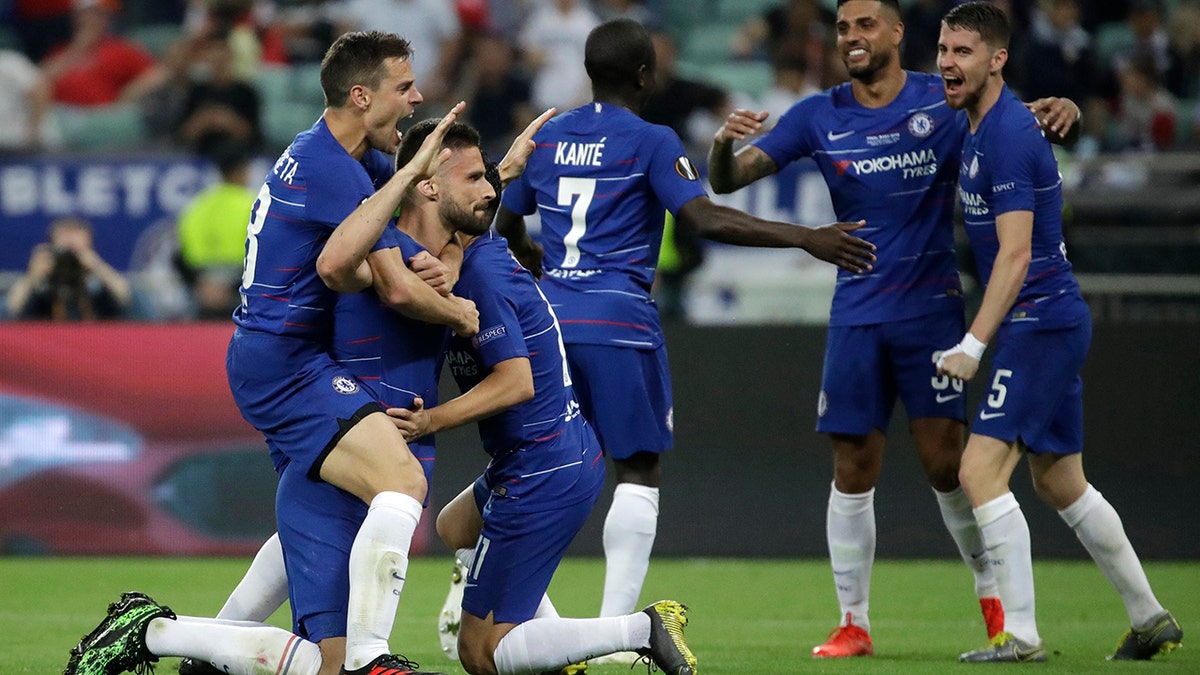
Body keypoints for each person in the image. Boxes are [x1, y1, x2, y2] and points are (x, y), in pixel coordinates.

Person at [65, 30, 476, 675]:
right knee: (401, 481)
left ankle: (180, 641)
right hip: (286, 364)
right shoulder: (330, 168)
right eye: (404, 88)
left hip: (281, 357)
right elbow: (389, 281)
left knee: (319, 635)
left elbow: (404, 224)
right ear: (362, 95)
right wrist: (460, 312)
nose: (417, 98)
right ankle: (373, 658)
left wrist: (472, 195)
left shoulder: (338, 157)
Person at [495, 16, 876, 666]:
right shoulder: (650, 139)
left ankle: (518, 612)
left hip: (551, 324)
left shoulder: (550, 135)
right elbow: (701, 216)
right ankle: (616, 631)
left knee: (539, 469)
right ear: (648, 75)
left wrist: (536, 261)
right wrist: (804, 237)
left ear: (589, 72)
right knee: (636, 468)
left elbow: (505, 221)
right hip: (620, 323)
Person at [706, 0, 1081, 659]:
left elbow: (1014, 123)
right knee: (852, 465)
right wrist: (719, 144)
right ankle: (853, 620)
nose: (851, 37)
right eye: (843, 28)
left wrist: (1062, 110)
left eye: (865, 25)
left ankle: (994, 602)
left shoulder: (945, 97)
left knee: (948, 465)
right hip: (856, 314)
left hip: (931, 310)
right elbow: (731, 179)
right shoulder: (820, 114)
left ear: (896, 33)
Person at [388, 118, 698, 675]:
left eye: (488, 179)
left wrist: (429, 420)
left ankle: (638, 629)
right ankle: (552, 649)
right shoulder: (461, 248)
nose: (487, 191)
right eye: (473, 178)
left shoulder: (482, 276)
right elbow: (459, 219)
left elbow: (516, 383)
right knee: (456, 526)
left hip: (543, 466)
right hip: (547, 455)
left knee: (478, 654)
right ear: (431, 187)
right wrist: (505, 170)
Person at [934, 3, 1183, 663]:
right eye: (943, 49)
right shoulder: (986, 125)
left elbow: (1015, 256)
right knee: (1058, 481)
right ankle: (1150, 615)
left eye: (963, 51)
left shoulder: (1009, 133)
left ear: (997, 59)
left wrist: (972, 344)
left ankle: (1020, 634)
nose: (947, 62)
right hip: (1046, 317)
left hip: (1037, 318)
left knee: (978, 469)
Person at [175, 139, 257, 319]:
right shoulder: (253, 205)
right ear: (241, 170)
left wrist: (201, 283)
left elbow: (179, 256)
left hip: (201, 290)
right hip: (238, 291)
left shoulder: (196, 207)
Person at [6, 216, 131, 320]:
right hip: (45, 342)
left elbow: (127, 299)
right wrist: (33, 275)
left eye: (76, 235)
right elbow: (11, 311)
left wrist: (97, 266)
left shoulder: (99, 284)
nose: (69, 240)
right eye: (64, 235)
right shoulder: (41, 286)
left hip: (96, 341)